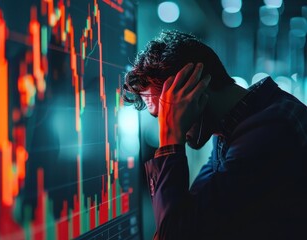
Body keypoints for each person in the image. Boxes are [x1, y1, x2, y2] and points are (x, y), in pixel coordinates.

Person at [123, 30, 307, 239]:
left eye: (169, 113)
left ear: (197, 91)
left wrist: (171, 138)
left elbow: (175, 234)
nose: (166, 123)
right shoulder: (235, 126)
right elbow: (189, 213)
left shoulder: (268, 131)